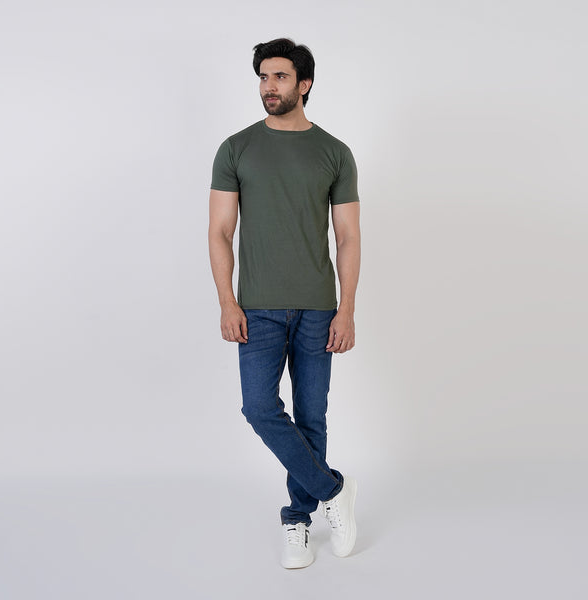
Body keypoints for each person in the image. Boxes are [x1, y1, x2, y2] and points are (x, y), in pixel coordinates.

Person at [208, 38, 361, 569]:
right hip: (257, 308)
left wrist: (347, 308)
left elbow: (348, 237)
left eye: (279, 76)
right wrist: (228, 302)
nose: (268, 86)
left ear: (304, 84)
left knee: (311, 416)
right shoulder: (236, 149)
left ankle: (297, 518)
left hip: (318, 307)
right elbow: (220, 232)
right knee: (258, 407)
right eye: (263, 77)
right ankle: (334, 489)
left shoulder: (334, 152)